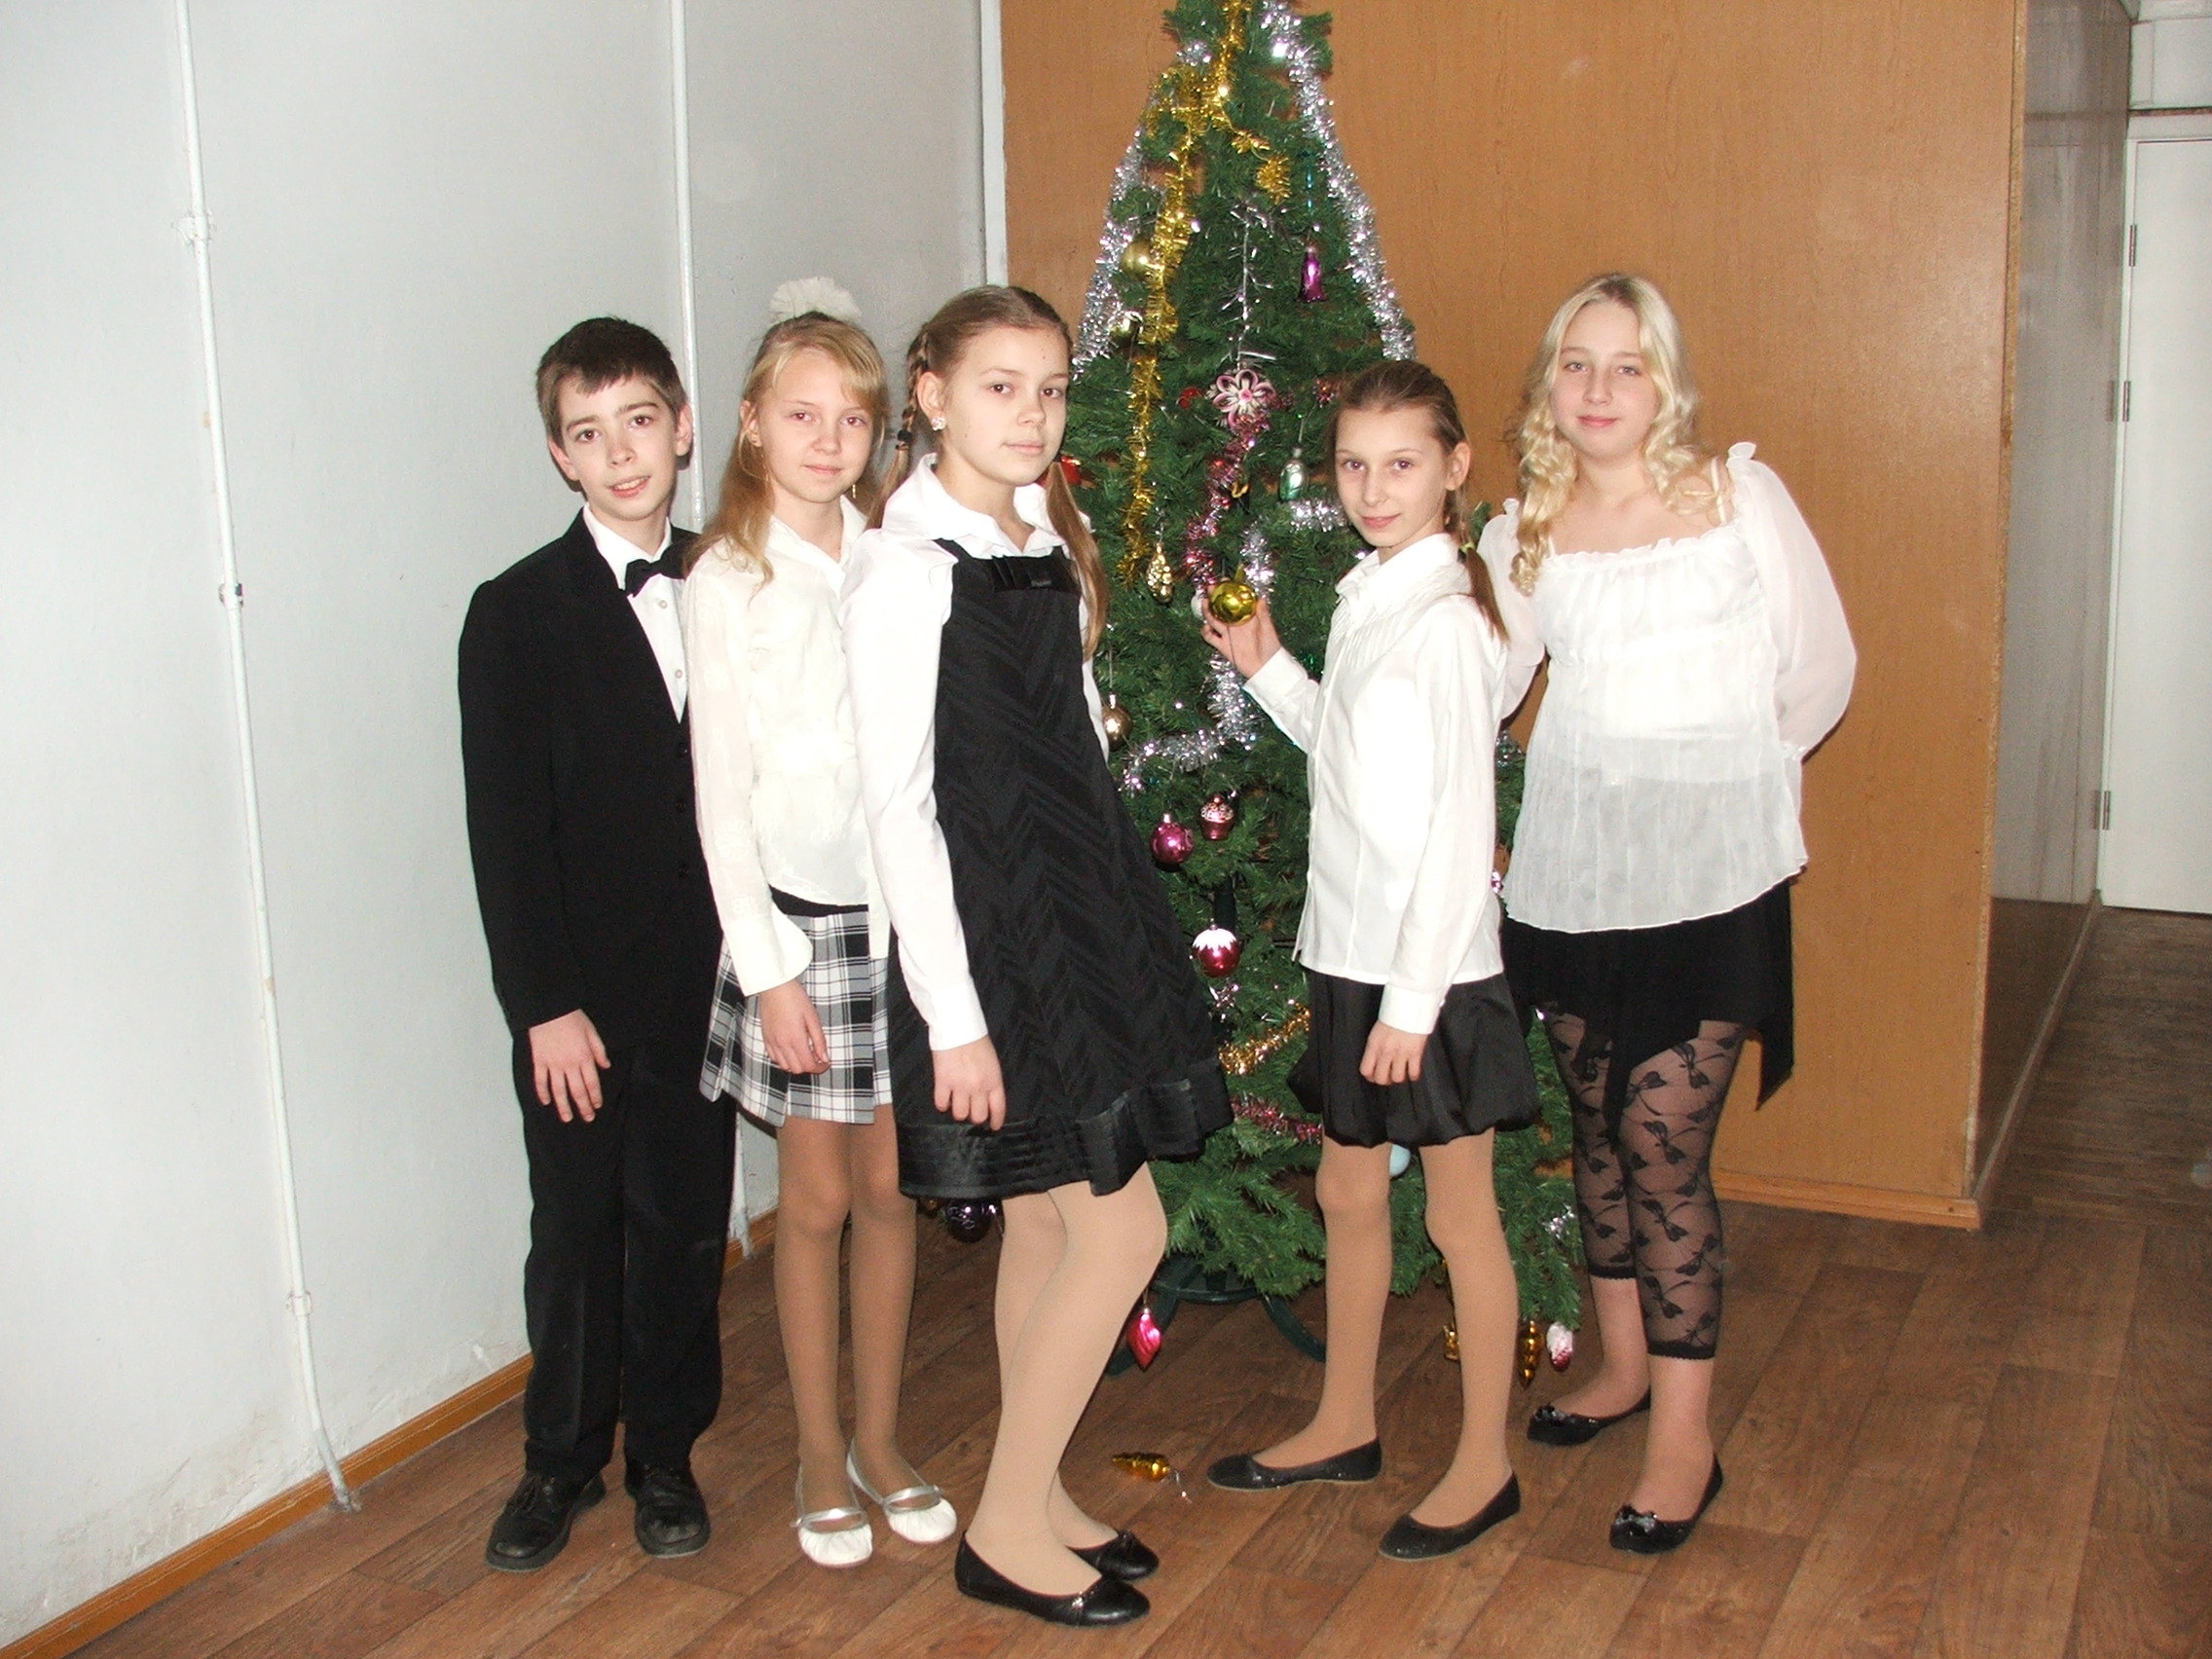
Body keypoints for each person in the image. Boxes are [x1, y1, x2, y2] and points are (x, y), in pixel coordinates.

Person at [842, 285, 1230, 1628]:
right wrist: (953, 1017)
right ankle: (1003, 1528)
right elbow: (896, 806)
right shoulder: (903, 567)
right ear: (932, 394)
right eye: (1000, 386)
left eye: (1052, 388)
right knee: (1127, 1226)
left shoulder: (1039, 537)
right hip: (993, 938)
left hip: (1078, 903)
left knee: (1051, 1217)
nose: (1033, 414)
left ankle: (1038, 1489)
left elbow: (1067, 735)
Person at [1482, 274, 1854, 1553]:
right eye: (1575, 364)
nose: (1598, 390)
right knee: (1596, 1133)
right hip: (1576, 877)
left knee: (1660, 1144)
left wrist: (1728, 790)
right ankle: (1622, 1367)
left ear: (1665, 383)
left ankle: (1686, 1441)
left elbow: (1821, 671)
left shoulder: (1739, 499)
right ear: (1550, 385)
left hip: (1713, 881)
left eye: (1626, 365)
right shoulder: (1523, 533)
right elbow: (1483, 686)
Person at [1200, 359, 1541, 1560]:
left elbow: (1456, 834)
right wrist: (1268, 671)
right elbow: (1351, 758)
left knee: (1459, 1215)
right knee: (1348, 1190)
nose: (1373, 488)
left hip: (1428, 972)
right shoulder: (1373, 594)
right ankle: (1345, 1421)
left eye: (1401, 463)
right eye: (1353, 464)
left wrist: (1411, 1005)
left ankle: (1486, 1464)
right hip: (1354, 953)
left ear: (1454, 469)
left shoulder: (1444, 621)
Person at [682, 293, 952, 1568]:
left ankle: (883, 1440)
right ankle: (814, 1448)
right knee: (820, 1198)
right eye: (802, 415)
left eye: (853, 419)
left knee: (894, 1189)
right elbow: (720, 800)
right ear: (750, 424)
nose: (829, 440)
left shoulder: (894, 560)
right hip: (798, 931)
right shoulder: (724, 579)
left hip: (901, 919)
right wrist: (769, 970)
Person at [459, 317, 731, 1569]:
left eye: (639, 422)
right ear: (559, 456)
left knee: (683, 1222)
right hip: (578, 995)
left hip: (709, 981)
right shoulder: (515, 613)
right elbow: (505, 833)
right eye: (588, 432)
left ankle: (665, 1456)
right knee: (573, 1229)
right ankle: (559, 1459)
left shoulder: (736, 578)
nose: (620, 454)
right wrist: (543, 1005)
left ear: (682, 426)